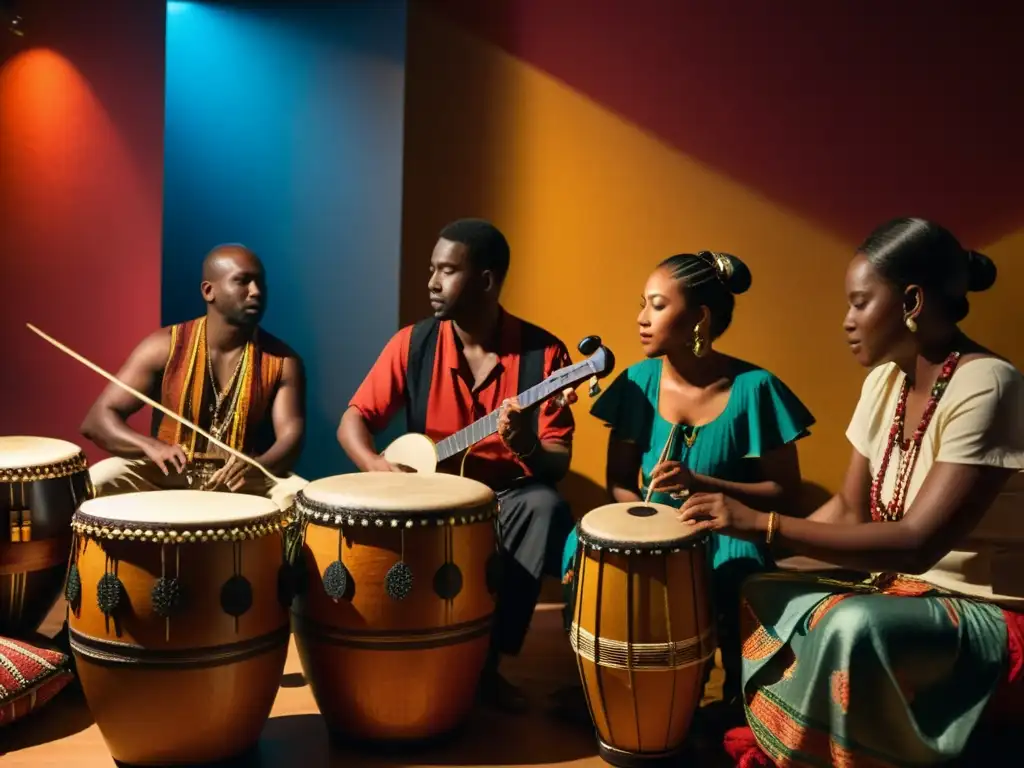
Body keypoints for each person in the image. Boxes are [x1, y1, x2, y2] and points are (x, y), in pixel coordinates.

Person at [677, 219, 1024, 767]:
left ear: (911, 300)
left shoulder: (989, 384)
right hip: (898, 587)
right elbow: (847, 509)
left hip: (984, 612)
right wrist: (739, 544)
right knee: (755, 587)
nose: (846, 321)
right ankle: (781, 735)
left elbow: (917, 544)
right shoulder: (885, 381)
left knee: (853, 623)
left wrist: (761, 524)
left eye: (860, 303)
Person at [338, 218, 577, 712]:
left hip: (507, 497)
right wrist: (375, 464)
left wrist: (528, 445)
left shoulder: (545, 356)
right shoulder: (413, 344)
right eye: (432, 269)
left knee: (544, 506)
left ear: (486, 280)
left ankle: (486, 663)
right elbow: (352, 421)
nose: (431, 282)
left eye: (447, 270)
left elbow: (557, 463)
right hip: (428, 496)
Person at [559, 250, 815, 707]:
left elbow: (784, 493)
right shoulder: (637, 383)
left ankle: (741, 704)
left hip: (728, 529)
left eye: (657, 306)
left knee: (737, 568)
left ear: (699, 317)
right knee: (577, 546)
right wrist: (648, 520)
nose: (641, 318)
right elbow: (617, 480)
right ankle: (608, 691)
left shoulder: (756, 388)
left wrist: (703, 484)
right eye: (643, 303)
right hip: (648, 523)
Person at [81, 244, 307, 510]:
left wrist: (259, 467)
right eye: (243, 281)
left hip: (242, 480)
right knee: (99, 479)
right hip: (167, 475)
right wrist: (150, 447)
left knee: (300, 497)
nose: (256, 292)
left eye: (260, 283)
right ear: (209, 291)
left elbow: (291, 436)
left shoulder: (283, 361)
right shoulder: (164, 346)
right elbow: (97, 420)